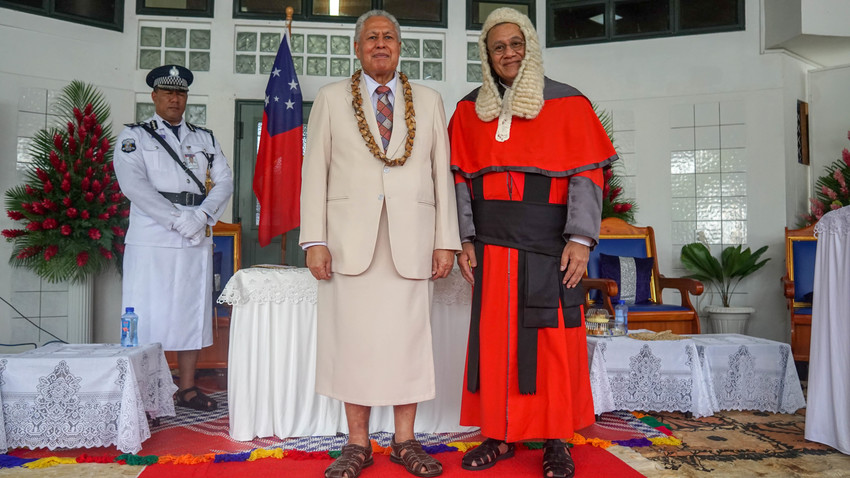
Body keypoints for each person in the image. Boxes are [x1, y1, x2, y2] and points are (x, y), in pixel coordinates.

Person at [449, 8, 617, 478]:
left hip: (551, 246)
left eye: (515, 44)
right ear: (487, 55)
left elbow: (587, 174)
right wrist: (464, 238)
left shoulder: (567, 103)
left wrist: (582, 240)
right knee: (495, 342)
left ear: (531, 47)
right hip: (492, 248)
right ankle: (498, 435)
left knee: (552, 344)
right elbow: (460, 180)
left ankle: (556, 439)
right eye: (498, 47)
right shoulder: (469, 109)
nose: (508, 53)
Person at [299, 9, 459, 478]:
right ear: (357, 47)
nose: (381, 44)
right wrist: (315, 239)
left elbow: (440, 174)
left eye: (389, 36)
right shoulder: (330, 99)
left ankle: (406, 441)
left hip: (412, 240)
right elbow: (315, 174)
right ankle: (356, 444)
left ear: (400, 46)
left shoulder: (429, 101)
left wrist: (445, 240)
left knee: (408, 343)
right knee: (353, 343)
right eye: (372, 37)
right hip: (349, 243)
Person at [114, 65, 234, 412]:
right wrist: (174, 219)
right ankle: (144, 393)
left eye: (180, 93)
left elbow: (224, 181)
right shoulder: (134, 136)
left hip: (194, 232)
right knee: (147, 312)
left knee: (191, 310)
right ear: (154, 96)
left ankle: (188, 388)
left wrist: (201, 216)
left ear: (186, 98)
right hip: (152, 235)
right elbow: (133, 184)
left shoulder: (204, 138)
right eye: (167, 92)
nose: (174, 98)